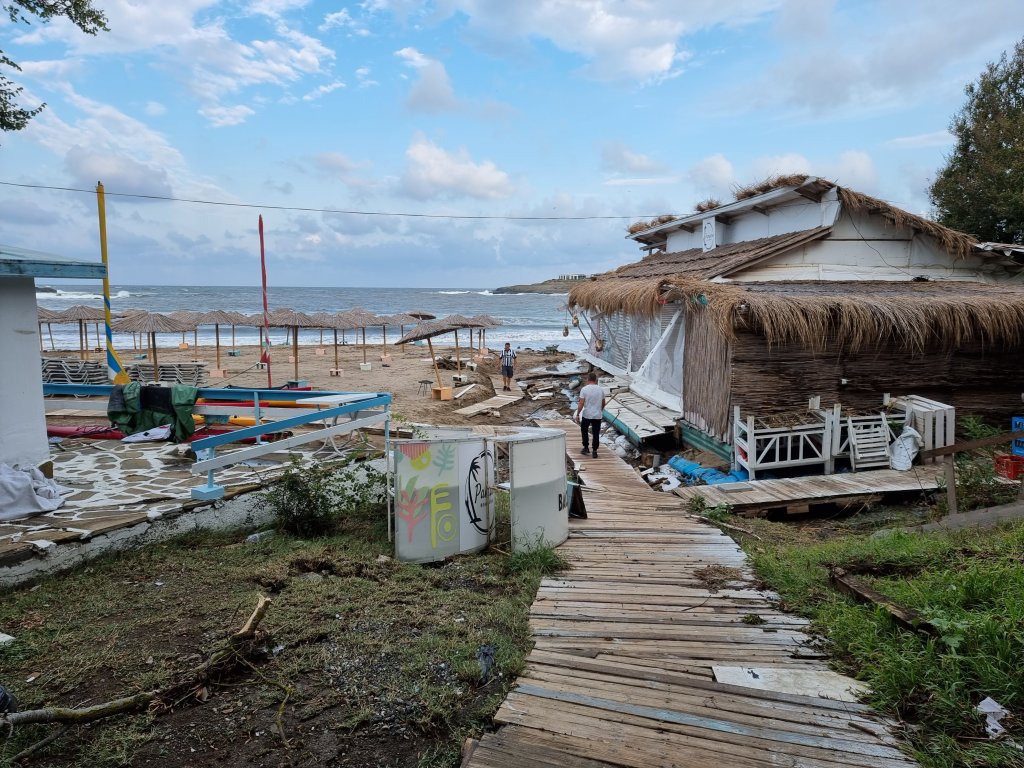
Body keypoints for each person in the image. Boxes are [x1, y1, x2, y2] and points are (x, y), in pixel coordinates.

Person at [575, 371, 605, 458]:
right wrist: (600, 410)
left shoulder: (584, 389)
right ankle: (595, 450)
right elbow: (603, 403)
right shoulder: (600, 389)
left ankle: (586, 447)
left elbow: (581, 403)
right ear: (595, 380)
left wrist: (578, 414)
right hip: (597, 415)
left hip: (587, 414)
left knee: (584, 431)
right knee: (596, 433)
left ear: (588, 379)